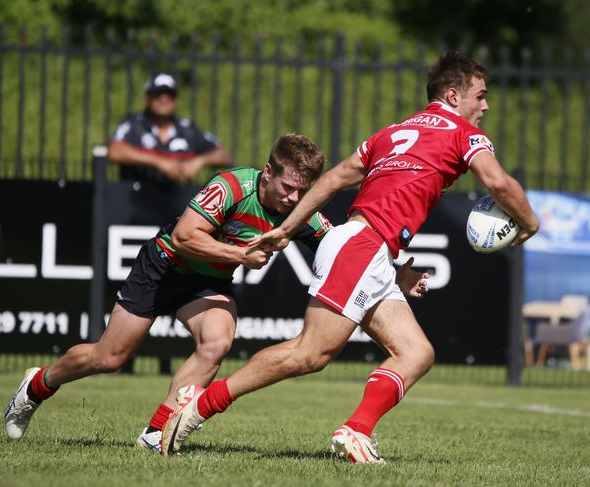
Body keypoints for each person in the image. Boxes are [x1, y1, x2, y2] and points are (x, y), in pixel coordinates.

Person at [160, 51, 540, 463]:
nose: (484, 106)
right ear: (453, 95)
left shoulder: (393, 131)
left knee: (416, 353)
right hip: (362, 246)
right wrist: (530, 223)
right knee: (310, 353)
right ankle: (198, 405)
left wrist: (289, 228)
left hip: (367, 248)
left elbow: (335, 178)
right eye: (480, 96)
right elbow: (498, 183)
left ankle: (355, 431)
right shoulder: (463, 134)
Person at [4, 133, 427, 451]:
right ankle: (38, 385)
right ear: (268, 173)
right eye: (287, 188)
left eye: (303, 191)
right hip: (164, 267)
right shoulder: (232, 186)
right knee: (109, 357)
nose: (294, 199)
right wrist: (241, 256)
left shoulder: (300, 213)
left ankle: (157, 432)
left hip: (207, 283)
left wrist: (394, 274)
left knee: (217, 342)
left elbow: (346, 253)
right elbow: (187, 235)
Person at [108, 73, 232, 185]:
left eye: (170, 94)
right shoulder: (133, 125)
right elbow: (114, 151)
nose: (164, 99)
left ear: (176, 100)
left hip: (180, 205)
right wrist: (159, 162)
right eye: (158, 94)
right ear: (147, 98)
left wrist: (199, 161)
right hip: (136, 203)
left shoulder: (188, 129)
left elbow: (225, 154)